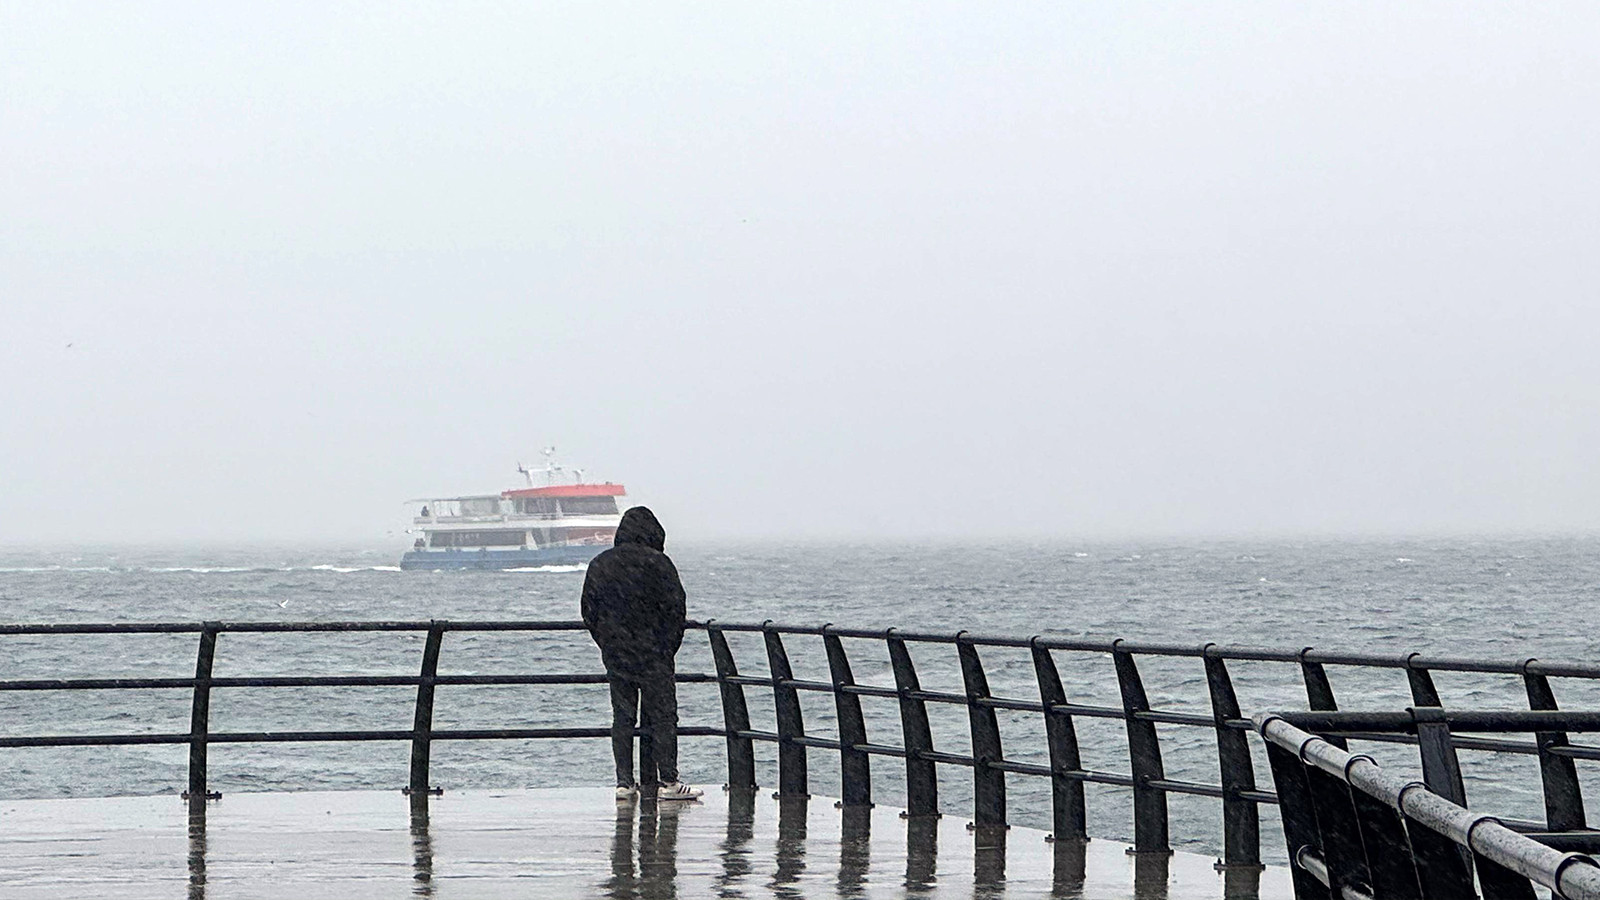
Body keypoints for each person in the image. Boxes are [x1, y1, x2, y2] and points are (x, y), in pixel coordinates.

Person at [581, 506, 703, 801]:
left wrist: (608, 642)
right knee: (664, 718)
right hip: (654, 655)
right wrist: (665, 647)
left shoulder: (601, 564)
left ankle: (624, 782)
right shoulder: (659, 564)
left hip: (617, 654)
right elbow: (676, 610)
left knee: (622, 718)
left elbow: (589, 610)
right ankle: (669, 782)